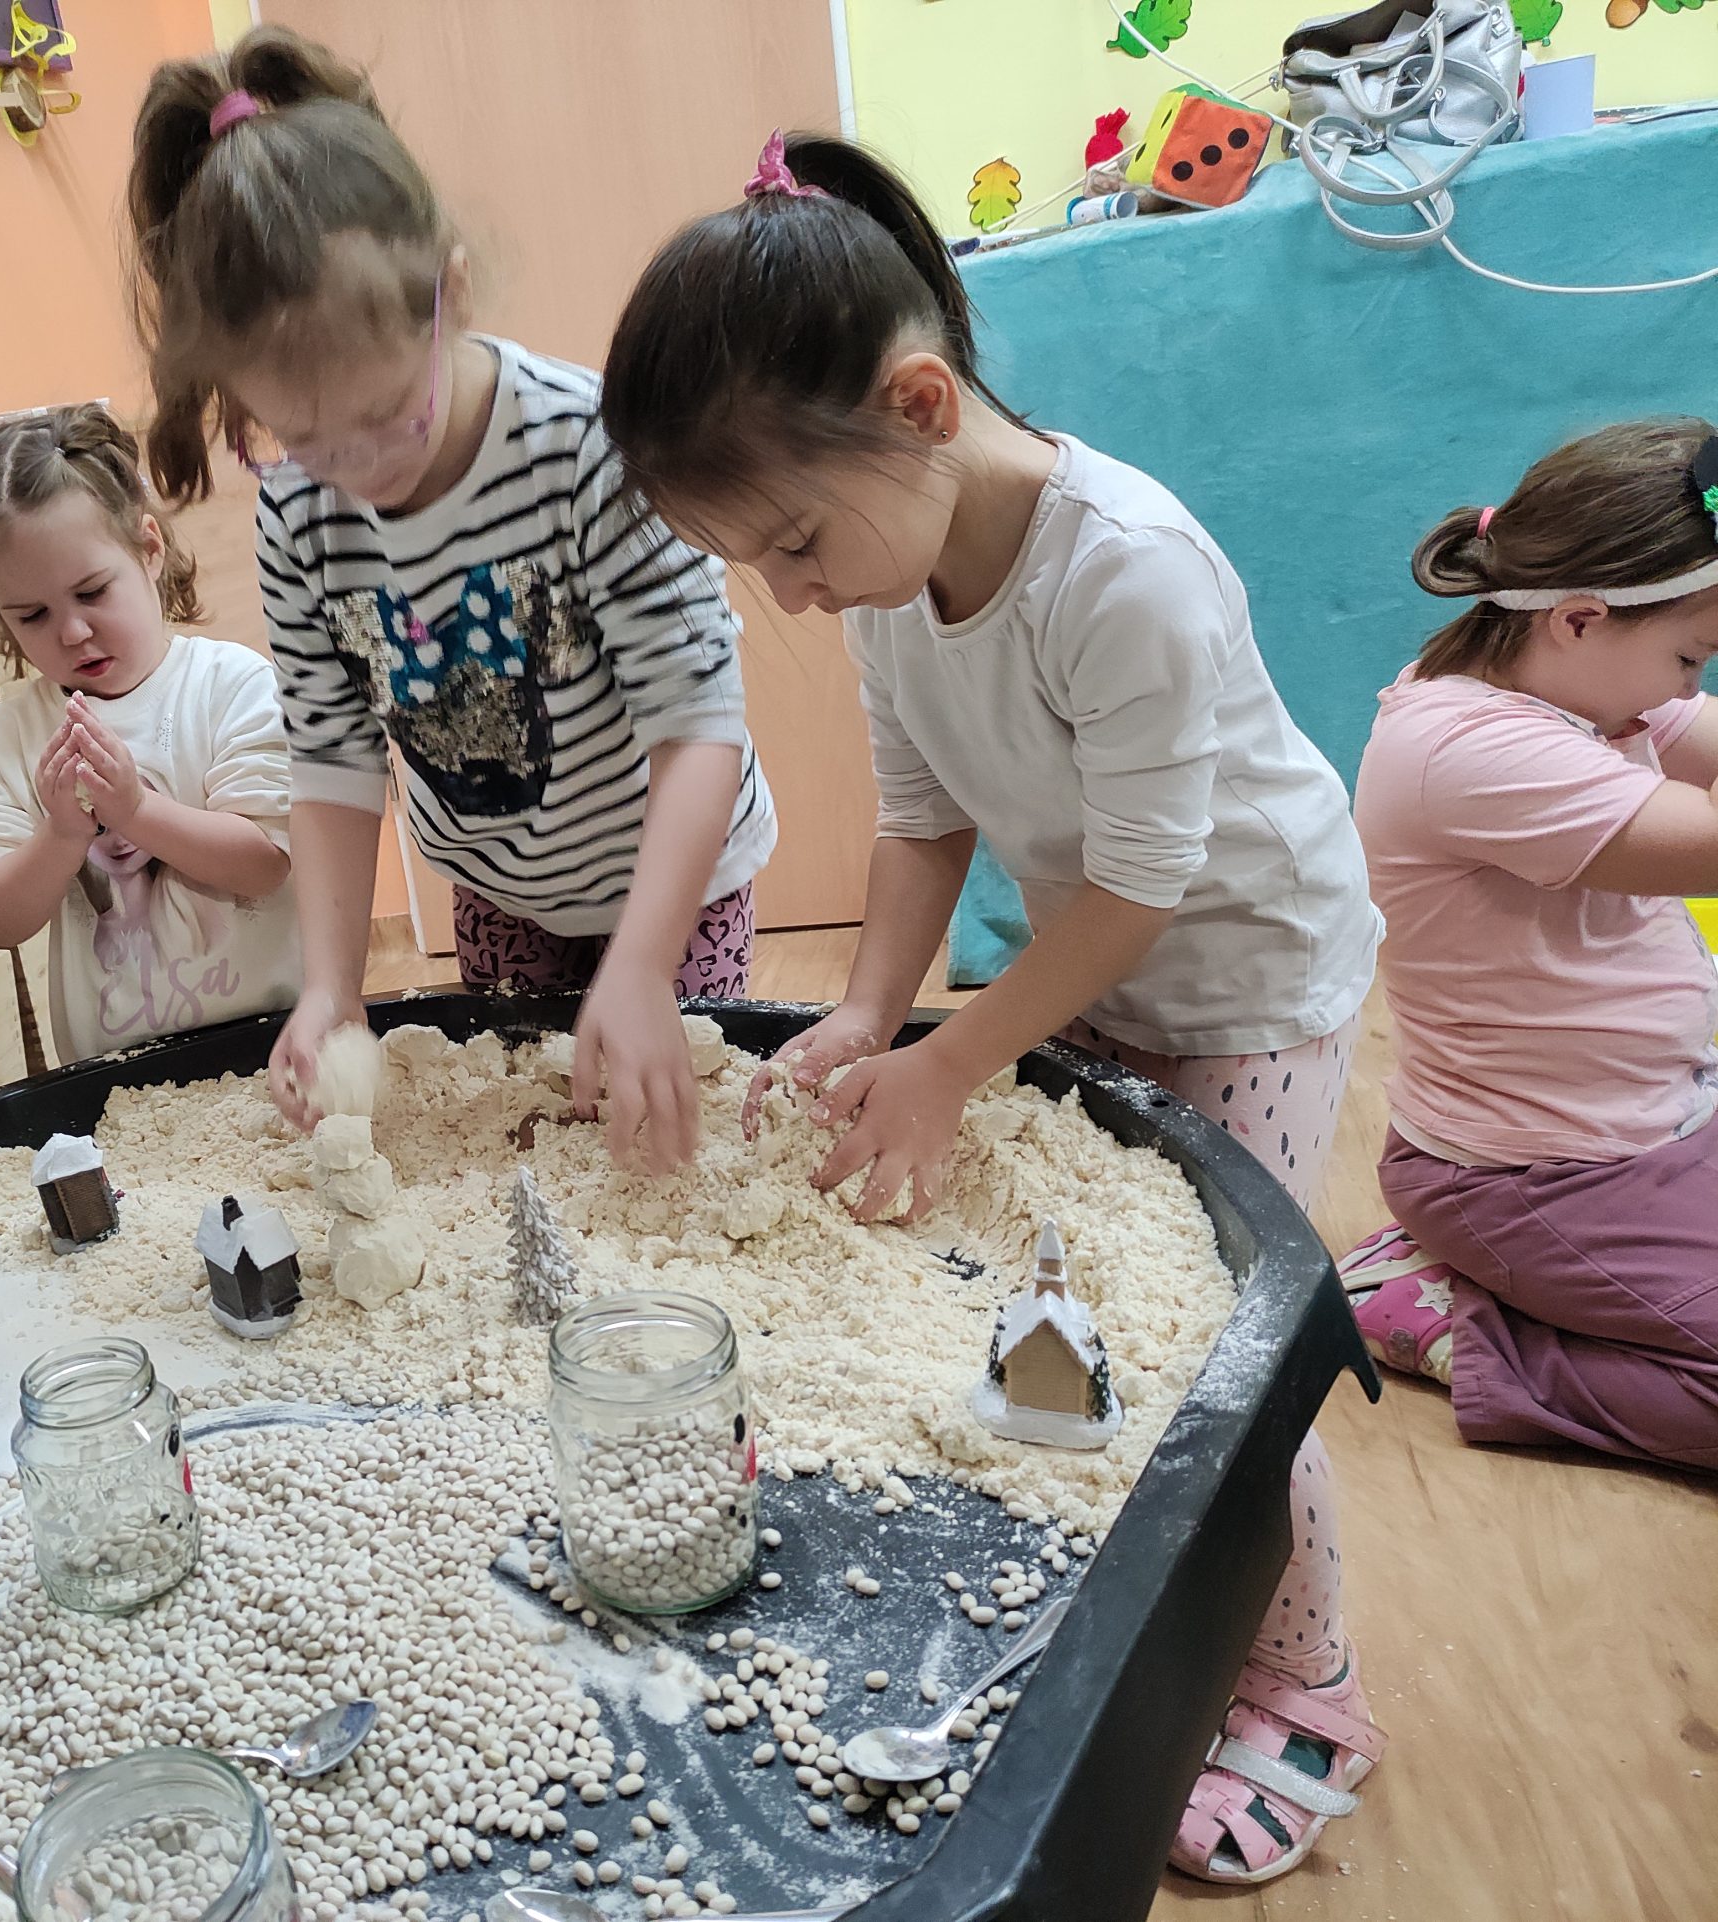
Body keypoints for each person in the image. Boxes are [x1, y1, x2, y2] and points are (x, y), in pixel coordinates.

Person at [595, 131, 1385, 1884]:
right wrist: (875, 1013)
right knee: (1062, 1302)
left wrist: (958, 1055)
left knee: (1223, 1349)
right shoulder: (893, 577)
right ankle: (1117, 1605)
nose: (792, 593)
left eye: (793, 543)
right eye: (761, 564)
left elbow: (1145, 886)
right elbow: (922, 816)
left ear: (923, 406)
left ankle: (1306, 1680)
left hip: (1244, 972)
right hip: (1087, 963)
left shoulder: (1125, 569)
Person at [127, 26, 778, 1172]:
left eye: (386, 414)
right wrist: (331, 985)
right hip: (498, 889)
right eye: (302, 436)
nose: (356, 466)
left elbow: (697, 724)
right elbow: (333, 765)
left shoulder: (587, 452)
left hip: (672, 878)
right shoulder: (299, 513)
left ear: (451, 292)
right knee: (526, 1149)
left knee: (657, 1144)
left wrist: (641, 960)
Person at [1344, 419, 1718, 1473]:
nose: (1685, 690)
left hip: (1660, 1115)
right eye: (1688, 656)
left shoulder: (1578, 686)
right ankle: (1467, 1331)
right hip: (1537, 1176)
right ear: (1580, 618)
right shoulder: (1470, 749)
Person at [0, 405, 301, 1061]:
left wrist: (134, 811)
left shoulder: (233, 686)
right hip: (115, 1076)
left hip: (271, 1047)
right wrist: (62, 835)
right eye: (32, 615)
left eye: (92, 592)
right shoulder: (5, 738)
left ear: (150, 549)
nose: (73, 631)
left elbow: (264, 864)